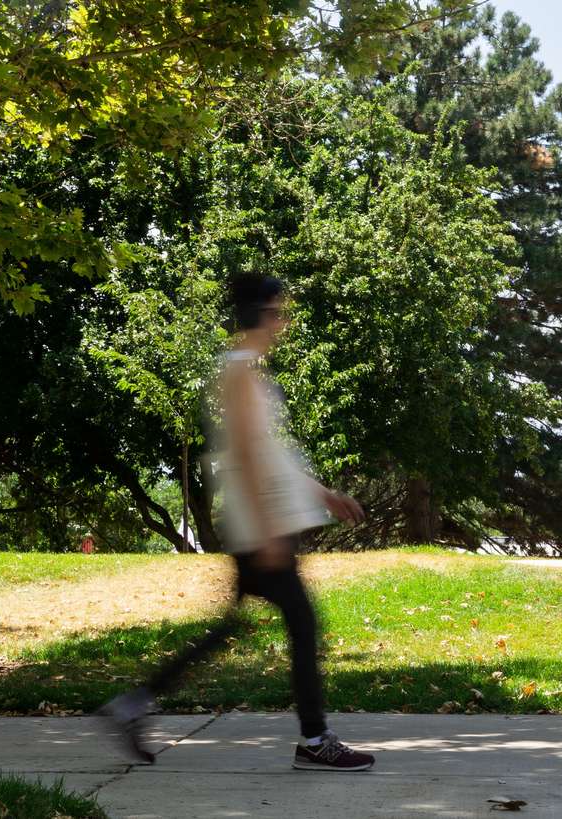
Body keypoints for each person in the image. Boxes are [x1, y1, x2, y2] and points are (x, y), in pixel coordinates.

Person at [101, 274, 374, 772]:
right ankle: (315, 740)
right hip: (261, 526)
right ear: (256, 315)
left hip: (259, 522)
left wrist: (325, 495)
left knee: (233, 627)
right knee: (303, 623)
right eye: (277, 312)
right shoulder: (241, 375)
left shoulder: (246, 371)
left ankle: (133, 704)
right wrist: (270, 529)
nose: (283, 322)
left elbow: (271, 453)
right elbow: (247, 456)